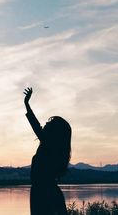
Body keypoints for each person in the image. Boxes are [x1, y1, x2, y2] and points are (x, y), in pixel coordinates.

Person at [23, 87, 71, 215]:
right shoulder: (51, 147)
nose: (45, 123)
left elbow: (35, 125)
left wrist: (27, 104)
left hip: (44, 194)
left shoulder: (49, 146)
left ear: (55, 132)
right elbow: (37, 126)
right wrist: (26, 104)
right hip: (44, 192)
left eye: (49, 123)